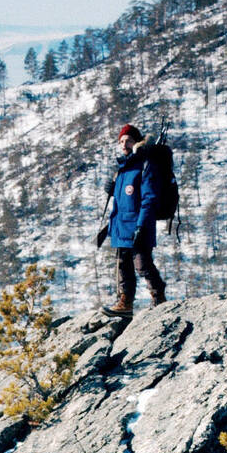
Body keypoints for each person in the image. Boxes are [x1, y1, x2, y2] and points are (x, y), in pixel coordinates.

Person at [102, 123, 167, 317]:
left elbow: (148, 199)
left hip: (138, 226)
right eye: (121, 141)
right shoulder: (123, 168)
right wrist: (112, 189)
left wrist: (141, 226)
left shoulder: (145, 166)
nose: (124, 144)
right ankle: (125, 302)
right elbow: (125, 198)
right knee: (123, 266)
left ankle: (159, 298)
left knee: (142, 264)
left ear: (136, 142)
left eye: (128, 140)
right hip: (122, 226)